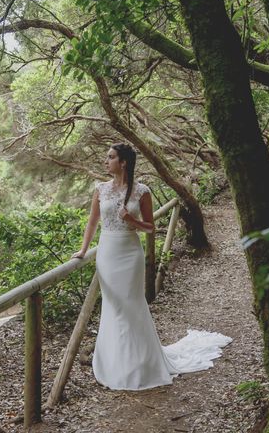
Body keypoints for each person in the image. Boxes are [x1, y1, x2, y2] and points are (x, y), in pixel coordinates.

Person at [72, 143, 232, 390]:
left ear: (123, 162)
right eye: (106, 157)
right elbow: (92, 223)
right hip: (107, 254)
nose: (106, 161)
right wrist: (83, 251)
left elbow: (151, 227)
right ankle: (115, 363)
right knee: (114, 307)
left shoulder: (141, 191)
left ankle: (141, 364)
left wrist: (131, 220)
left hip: (130, 254)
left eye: (111, 157)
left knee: (132, 306)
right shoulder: (100, 189)